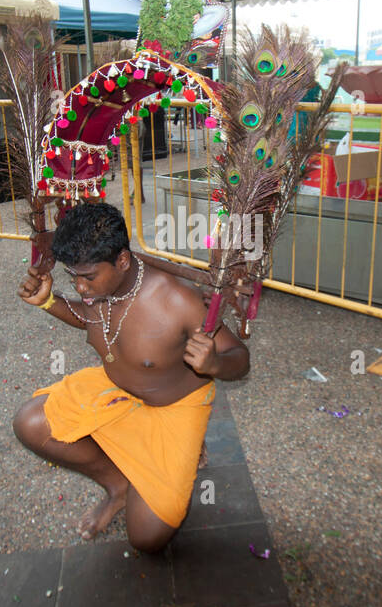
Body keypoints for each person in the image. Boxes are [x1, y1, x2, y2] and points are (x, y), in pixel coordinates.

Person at [13, 203, 250, 551]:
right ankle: (118, 486)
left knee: (146, 539)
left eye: (88, 276)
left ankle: (169, 459)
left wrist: (214, 364)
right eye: (72, 276)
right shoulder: (100, 287)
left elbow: (240, 359)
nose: (79, 287)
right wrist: (49, 301)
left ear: (122, 261)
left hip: (174, 409)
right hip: (116, 388)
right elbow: (92, 321)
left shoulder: (177, 301)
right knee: (31, 423)